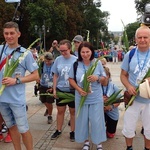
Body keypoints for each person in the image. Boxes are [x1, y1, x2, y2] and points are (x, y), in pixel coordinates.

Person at [0, 21, 39, 150]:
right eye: (6, 33)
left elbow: (35, 76)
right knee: (11, 127)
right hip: (2, 99)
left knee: (23, 129)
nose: (9, 36)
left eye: (12, 33)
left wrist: (16, 80)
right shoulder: (0, 50)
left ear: (18, 34)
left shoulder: (25, 53)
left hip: (16, 99)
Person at [69, 41, 107, 150]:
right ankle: (85, 142)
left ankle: (98, 142)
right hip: (81, 96)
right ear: (79, 53)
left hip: (95, 97)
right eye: (83, 52)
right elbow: (71, 79)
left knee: (96, 120)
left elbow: (104, 80)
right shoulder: (76, 64)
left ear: (92, 51)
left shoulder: (97, 63)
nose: (85, 54)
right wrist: (79, 89)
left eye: (87, 52)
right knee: (82, 120)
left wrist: (97, 78)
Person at [120, 26, 150, 150]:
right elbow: (123, 75)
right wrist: (128, 86)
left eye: (145, 37)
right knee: (129, 127)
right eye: (140, 37)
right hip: (133, 99)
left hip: (149, 100)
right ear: (135, 39)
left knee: (149, 129)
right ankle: (129, 147)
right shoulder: (130, 54)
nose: (142, 40)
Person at [51, 39, 77, 142]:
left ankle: (73, 131)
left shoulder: (76, 60)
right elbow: (55, 75)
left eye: (65, 50)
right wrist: (54, 89)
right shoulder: (58, 59)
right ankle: (58, 129)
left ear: (70, 49)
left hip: (72, 90)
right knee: (60, 111)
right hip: (61, 89)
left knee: (73, 111)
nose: (63, 53)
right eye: (61, 51)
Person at [102, 66, 120, 138]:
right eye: (101, 75)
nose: (103, 77)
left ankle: (109, 129)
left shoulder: (114, 87)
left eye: (105, 75)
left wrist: (111, 106)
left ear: (108, 76)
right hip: (101, 111)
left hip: (112, 112)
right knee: (99, 132)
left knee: (110, 135)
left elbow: (119, 101)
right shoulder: (96, 87)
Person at [38, 52, 54, 124]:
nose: (47, 62)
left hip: (51, 85)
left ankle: (50, 115)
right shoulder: (41, 64)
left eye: (49, 61)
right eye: (46, 61)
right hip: (43, 84)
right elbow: (38, 73)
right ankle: (48, 108)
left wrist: (54, 86)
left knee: (49, 101)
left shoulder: (55, 65)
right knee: (43, 100)